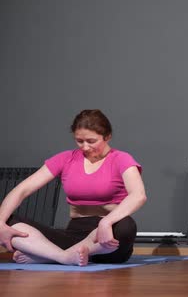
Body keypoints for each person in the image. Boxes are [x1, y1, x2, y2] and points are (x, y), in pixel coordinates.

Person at [0, 109, 147, 266]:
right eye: (79, 141)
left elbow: (138, 195)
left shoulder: (122, 159)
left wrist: (106, 223)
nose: (85, 147)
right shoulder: (65, 159)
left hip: (106, 239)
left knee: (126, 226)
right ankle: (64, 256)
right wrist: (1, 222)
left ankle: (50, 255)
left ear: (107, 136)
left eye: (91, 141)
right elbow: (22, 189)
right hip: (72, 235)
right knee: (7, 220)